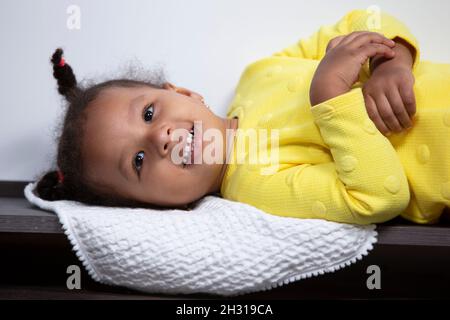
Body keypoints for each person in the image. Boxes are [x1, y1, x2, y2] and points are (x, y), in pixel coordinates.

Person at [36, 9, 450, 225]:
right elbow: (378, 197)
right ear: (157, 208)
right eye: (138, 162)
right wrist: (329, 98)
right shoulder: (255, 190)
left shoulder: (257, 74)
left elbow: (361, 23)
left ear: (180, 92)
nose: (159, 138)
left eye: (148, 113)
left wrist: (392, 62)